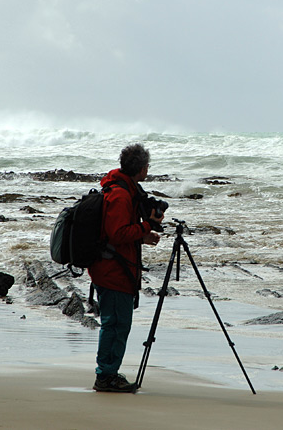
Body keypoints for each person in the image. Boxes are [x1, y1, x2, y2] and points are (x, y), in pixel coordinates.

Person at [88, 143, 164, 393]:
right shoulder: (121, 195)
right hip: (113, 272)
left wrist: (143, 236)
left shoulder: (122, 189)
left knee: (116, 323)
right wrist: (145, 227)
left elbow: (116, 234)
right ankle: (106, 376)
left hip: (112, 268)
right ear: (142, 168)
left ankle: (108, 372)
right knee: (116, 324)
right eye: (147, 167)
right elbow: (118, 233)